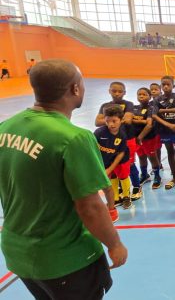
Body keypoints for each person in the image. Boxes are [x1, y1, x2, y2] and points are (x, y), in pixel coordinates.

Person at [0, 59, 127, 298]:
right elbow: (89, 206)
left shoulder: (6, 127)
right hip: (65, 259)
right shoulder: (74, 138)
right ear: (75, 89)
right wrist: (115, 244)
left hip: (18, 254)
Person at [94, 82, 141, 200]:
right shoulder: (105, 105)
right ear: (109, 91)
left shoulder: (128, 104)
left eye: (120, 91)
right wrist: (114, 121)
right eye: (114, 91)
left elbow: (128, 119)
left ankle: (137, 186)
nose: (117, 94)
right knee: (115, 166)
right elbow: (97, 122)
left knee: (129, 164)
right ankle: (121, 191)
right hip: (111, 140)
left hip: (127, 139)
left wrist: (108, 120)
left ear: (124, 92)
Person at [95, 105, 132, 210]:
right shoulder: (99, 133)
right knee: (112, 177)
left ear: (121, 120)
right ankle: (115, 198)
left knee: (123, 176)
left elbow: (120, 153)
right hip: (107, 159)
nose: (110, 124)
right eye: (107, 121)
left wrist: (110, 168)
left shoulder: (122, 135)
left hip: (121, 159)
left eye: (114, 121)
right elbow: (93, 149)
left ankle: (126, 197)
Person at [132, 87, 161, 188]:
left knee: (152, 157)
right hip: (137, 139)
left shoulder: (152, 108)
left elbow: (149, 125)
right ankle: (144, 175)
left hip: (148, 138)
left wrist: (140, 137)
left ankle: (157, 176)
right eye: (139, 94)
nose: (141, 96)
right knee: (141, 156)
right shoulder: (134, 108)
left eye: (144, 94)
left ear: (150, 97)